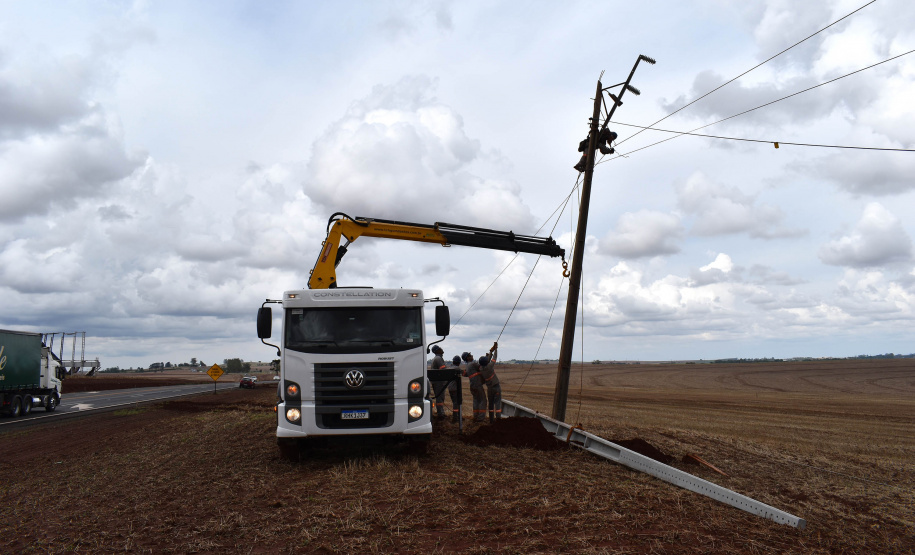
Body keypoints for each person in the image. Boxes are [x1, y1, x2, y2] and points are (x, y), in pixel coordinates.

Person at [479, 342, 501, 423]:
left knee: (491, 404)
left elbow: (486, 360)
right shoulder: (489, 366)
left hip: (489, 389)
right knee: (498, 404)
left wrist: (491, 352)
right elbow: (494, 358)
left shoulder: (481, 368)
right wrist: (495, 349)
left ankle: (491, 420)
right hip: (496, 386)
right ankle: (498, 420)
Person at [463, 351, 486, 422]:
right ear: (467, 357)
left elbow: (465, 374)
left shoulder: (467, 365)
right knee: (483, 400)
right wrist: (487, 358)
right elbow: (482, 366)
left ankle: (475, 416)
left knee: (476, 400)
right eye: (470, 355)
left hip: (472, 385)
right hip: (477, 385)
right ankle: (481, 418)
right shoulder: (473, 363)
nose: (472, 355)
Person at [429, 345, 447, 419]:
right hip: (439, 382)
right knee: (440, 398)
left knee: (440, 397)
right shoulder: (438, 358)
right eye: (440, 348)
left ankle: (440, 412)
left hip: (436, 381)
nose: (441, 349)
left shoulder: (436, 358)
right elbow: (443, 370)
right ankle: (440, 414)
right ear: (437, 351)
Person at [447, 355, 462, 423]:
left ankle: (457, 417)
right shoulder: (457, 368)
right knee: (456, 403)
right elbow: (464, 373)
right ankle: (455, 418)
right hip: (454, 388)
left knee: (455, 402)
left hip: (450, 388)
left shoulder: (450, 368)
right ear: (458, 362)